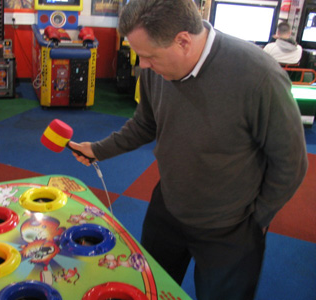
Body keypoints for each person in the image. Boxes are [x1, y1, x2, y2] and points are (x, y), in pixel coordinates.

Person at [69, 0, 308, 299]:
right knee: (151, 288)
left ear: (183, 41)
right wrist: (98, 149)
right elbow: (146, 123)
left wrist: (257, 219)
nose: (142, 65)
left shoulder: (259, 76)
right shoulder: (154, 65)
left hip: (230, 226)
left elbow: (291, 162)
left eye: (148, 56)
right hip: (167, 208)